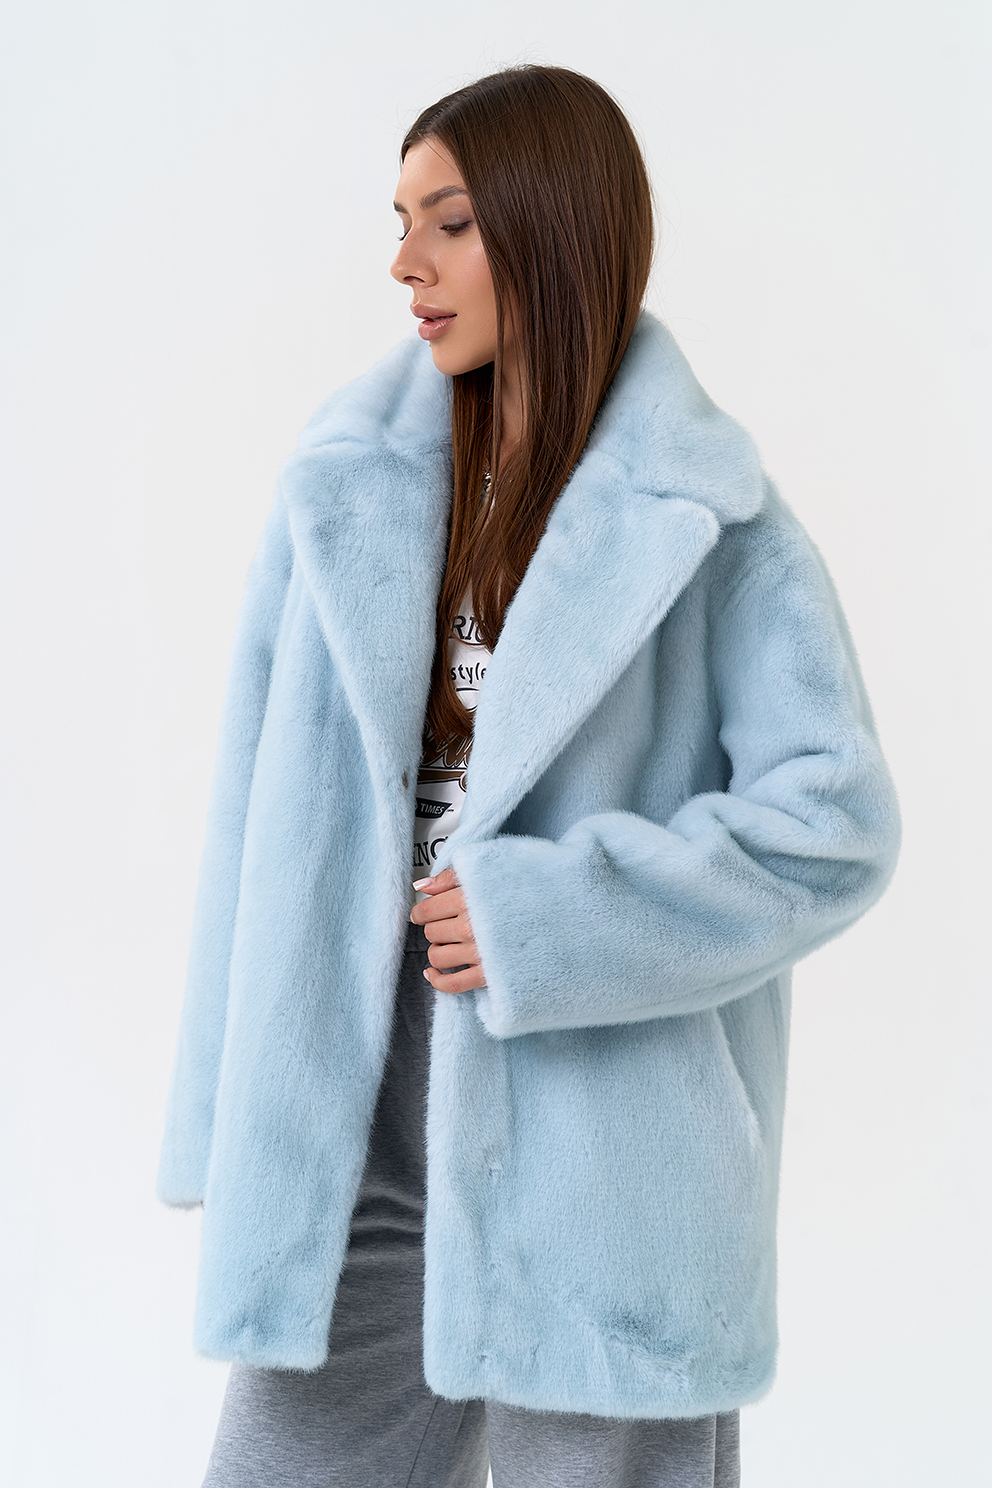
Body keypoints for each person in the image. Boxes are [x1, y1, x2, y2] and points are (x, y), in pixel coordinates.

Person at [157, 65, 900, 1488]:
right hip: (361, 1133)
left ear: (554, 231)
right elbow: (251, 820)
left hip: (605, 1162)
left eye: (449, 224)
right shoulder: (343, 485)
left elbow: (836, 822)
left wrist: (550, 920)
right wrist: (224, 1125)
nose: (406, 265)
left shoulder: (712, 524)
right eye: (400, 224)